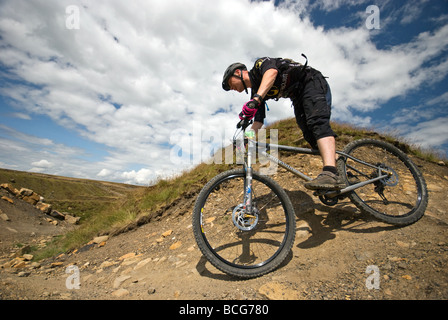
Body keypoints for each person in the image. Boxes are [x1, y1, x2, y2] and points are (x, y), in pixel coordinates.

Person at [222, 56, 344, 191]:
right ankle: (344, 174)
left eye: (229, 83)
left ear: (238, 72)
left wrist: (257, 99)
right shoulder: (257, 91)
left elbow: (272, 72)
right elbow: (258, 121)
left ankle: (330, 172)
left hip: (310, 81)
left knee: (317, 123)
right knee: (311, 136)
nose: (231, 88)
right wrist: (247, 137)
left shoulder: (259, 65)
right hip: (297, 96)